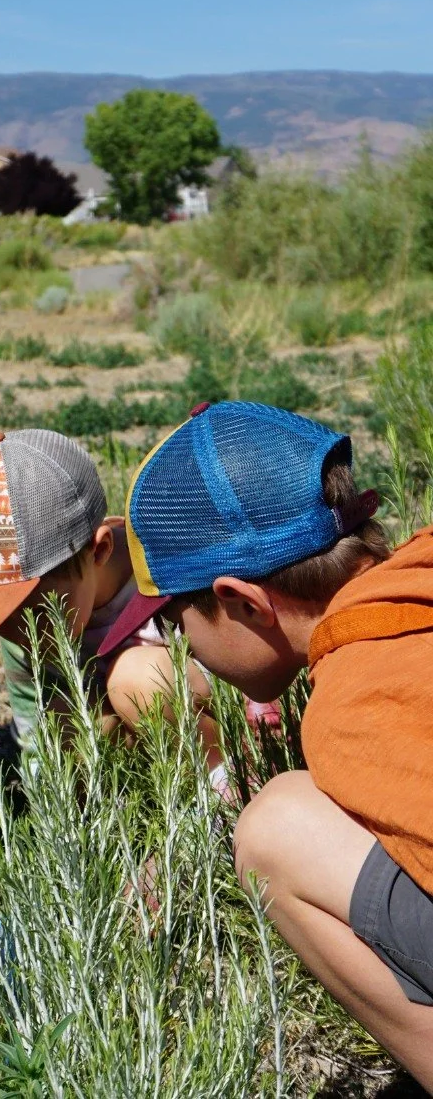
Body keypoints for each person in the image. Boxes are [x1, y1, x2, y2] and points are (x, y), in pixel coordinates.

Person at [96, 399, 433, 1089]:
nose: (182, 645)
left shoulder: (353, 708)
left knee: (277, 828)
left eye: (179, 620)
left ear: (245, 602)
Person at [0, 430, 225, 778]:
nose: (17, 635)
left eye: (31, 611)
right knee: (66, 722)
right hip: (136, 754)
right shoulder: (21, 636)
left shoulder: (167, 574)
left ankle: (222, 795)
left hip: (209, 725)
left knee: (141, 677)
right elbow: (36, 739)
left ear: (99, 551)